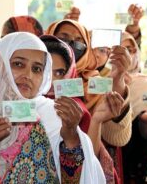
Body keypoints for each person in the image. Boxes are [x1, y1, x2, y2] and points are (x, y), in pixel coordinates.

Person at [0, 31, 105, 183]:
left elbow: (78, 177)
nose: (28, 75)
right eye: (18, 64)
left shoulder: (55, 113)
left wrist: (71, 136)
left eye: (37, 69)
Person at [40, 34, 124, 183]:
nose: (50, 79)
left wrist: (96, 120)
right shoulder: (11, 106)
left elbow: (87, 160)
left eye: (59, 73)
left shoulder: (73, 108)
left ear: (69, 73)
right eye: (41, 69)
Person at [46, 19, 133, 149]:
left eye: (78, 41)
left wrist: (118, 78)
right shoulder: (34, 77)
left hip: (81, 163)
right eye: (63, 38)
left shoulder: (95, 84)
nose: (71, 44)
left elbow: (118, 138)